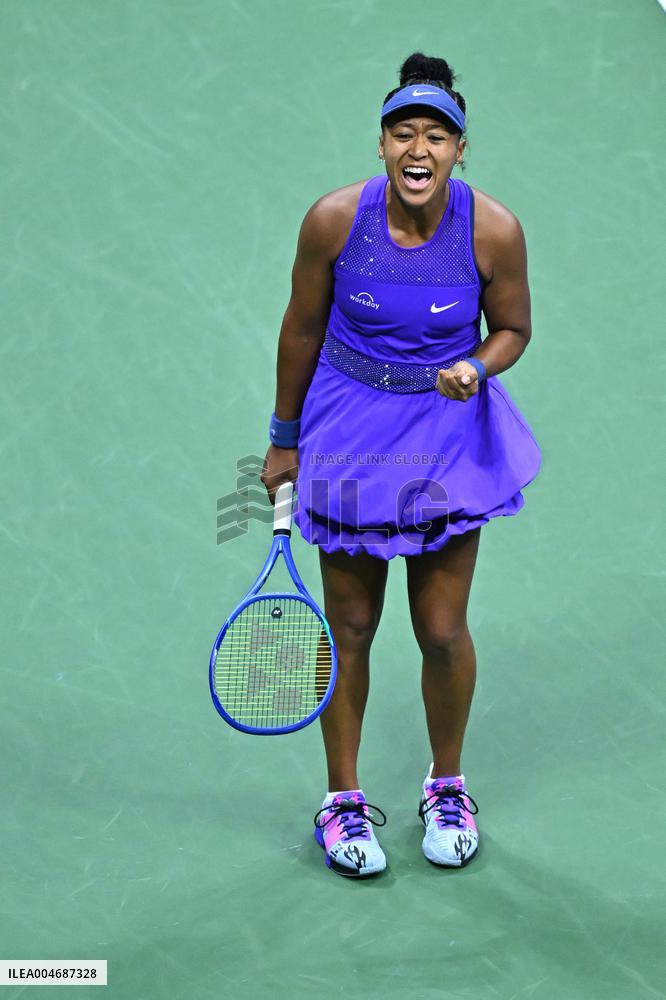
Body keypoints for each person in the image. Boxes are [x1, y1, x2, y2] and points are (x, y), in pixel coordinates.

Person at [261, 51, 541, 878]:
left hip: (449, 433)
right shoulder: (332, 222)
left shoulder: (491, 229)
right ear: (382, 144)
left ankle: (446, 783)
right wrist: (282, 439)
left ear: (460, 150)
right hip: (348, 428)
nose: (419, 148)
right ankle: (340, 801)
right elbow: (301, 331)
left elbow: (514, 328)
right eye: (402, 133)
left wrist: (479, 367)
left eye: (437, 136)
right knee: (349, 626)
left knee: (442, 630)